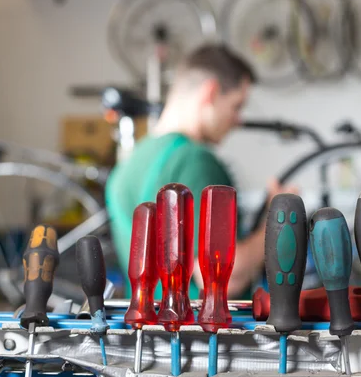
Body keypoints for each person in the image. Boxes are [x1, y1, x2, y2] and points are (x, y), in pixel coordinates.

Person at [105, 44, 297, 300]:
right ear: (211, 92)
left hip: (146, 331)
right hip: (197, 333)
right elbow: (222, 280)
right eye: (237, 106)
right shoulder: (195, 161)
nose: (238, 120)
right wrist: (276, 223)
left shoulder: (127, 165)